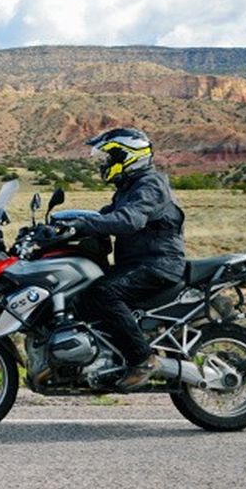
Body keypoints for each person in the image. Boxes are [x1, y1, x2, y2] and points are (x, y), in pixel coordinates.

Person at [72, 126, 186, 389]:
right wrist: (60, 224)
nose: (106, 164)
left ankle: (143, 359)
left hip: (158, 264)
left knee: (103, 293)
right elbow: (103, 216)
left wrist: (82, 226)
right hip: (138, 263)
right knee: (82, 293)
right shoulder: (128, 187)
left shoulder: (151, 184)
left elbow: (129, 219)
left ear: (130, 156)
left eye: (111, 157)